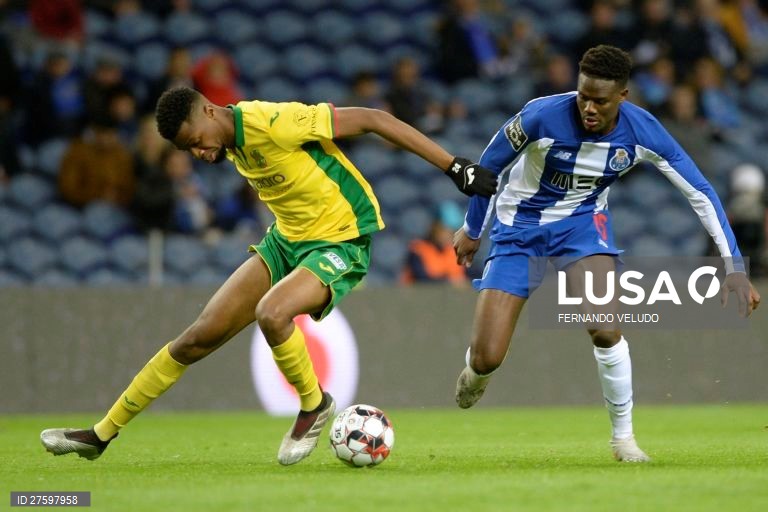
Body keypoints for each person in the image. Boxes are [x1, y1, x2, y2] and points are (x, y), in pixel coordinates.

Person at [40, 86, 498, 465]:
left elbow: (373, 118)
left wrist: (453, 166)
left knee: (272, 313)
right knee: (196, 339)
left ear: (209, 111)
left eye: (196, 140)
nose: (199, 152)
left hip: (340, 239)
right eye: (187, 150)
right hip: (286, 241)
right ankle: (100, 434)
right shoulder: (229, 141)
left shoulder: (274, 122)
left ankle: (314, 405)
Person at [452, 45, 761, 463]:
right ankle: (477, 371)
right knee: (487, 356)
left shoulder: (642, 131)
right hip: (519, 228)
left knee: (604, 326)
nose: (589, 108)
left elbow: (701, 192)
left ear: (622, 96)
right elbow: (489, 167)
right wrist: (473, 229)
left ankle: (623, 439)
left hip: (583, 228)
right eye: (583, 96)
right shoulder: (541, 116)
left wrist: (734, 266)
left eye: (600, 100)